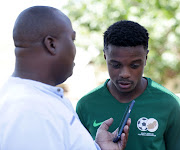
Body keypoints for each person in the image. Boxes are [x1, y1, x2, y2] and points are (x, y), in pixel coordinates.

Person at [0, 6, 131, 150]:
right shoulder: (30, 110)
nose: (76, 49)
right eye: (72, 39)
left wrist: (99, 148)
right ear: (51, 44)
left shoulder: (40, 99)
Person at [76, 20, 180, 150]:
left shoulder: (170, 104)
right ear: (105, 57)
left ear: (145, 59)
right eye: (116, 65)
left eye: (134, 65)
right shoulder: (86, 106)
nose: (125, 74)